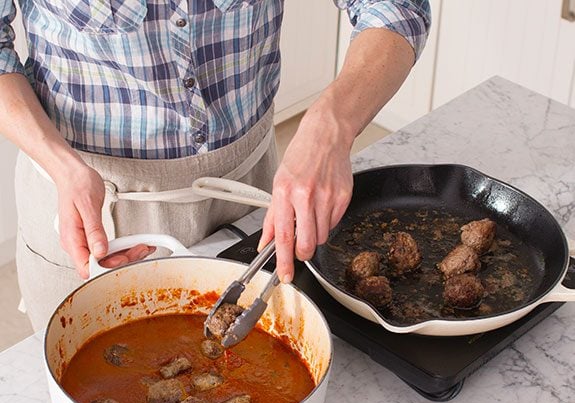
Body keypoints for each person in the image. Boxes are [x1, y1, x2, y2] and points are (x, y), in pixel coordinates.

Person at [0, 0, 431, 331]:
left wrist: (332, 125)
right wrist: (61, 165)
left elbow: (396, 6)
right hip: (87, 203)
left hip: (251, 192)